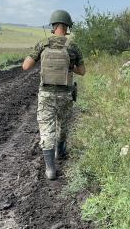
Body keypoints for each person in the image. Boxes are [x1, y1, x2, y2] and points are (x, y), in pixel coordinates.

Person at [22, 10, 86, 180]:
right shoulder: (73, 47)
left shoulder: (42, 44)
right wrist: (69, 67)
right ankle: (61, 150)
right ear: (67, 27)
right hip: (65, 94)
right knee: (63, 124)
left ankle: (50, 169)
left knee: (46, 128)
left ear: (53, 25)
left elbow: (26, 66)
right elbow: (83, 71)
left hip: (46, 94)